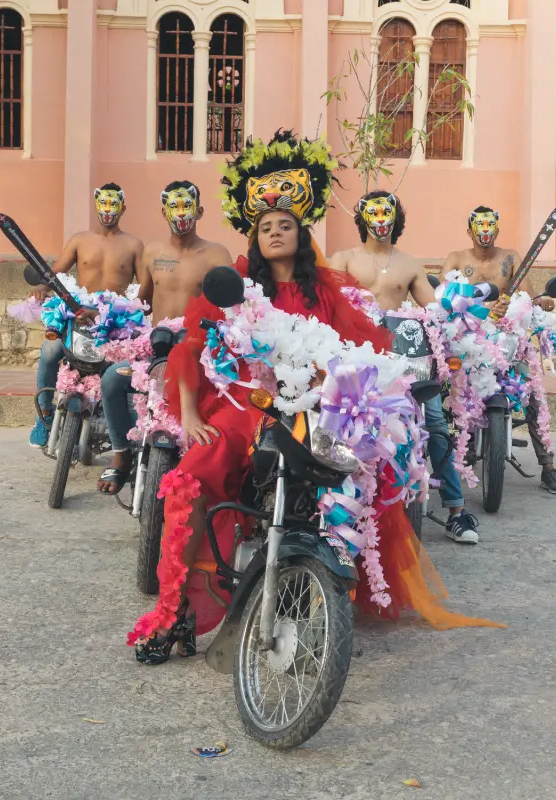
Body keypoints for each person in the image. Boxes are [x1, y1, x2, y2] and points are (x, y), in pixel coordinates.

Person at [129, 131, 502, 665]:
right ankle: (176, 615)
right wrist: (190, 415)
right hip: (244, 409)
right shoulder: (232, 283)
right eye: (265, 227)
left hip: (309, 414)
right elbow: (193, 346)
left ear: (302, 235)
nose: (275, 232)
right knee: (188, 481)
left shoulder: (328, 292)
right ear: (253, 238)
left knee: (352, 474)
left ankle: (317, 581)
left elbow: (362, 349)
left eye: (286, 225)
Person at [331, 191, 481, 544]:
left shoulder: (411, 264)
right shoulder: (344, 259)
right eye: (374, 211)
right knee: (344, 433)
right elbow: (330, 304)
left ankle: (457, 511)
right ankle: (340, 511)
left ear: (396, 218)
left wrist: (458, 311)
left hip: (406, 360)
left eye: (388, 212)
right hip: (358, 362)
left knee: (435, 424)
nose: (381, 218)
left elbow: (433, 309)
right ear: (363, 217)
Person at [96, 181, 231, 495]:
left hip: (198, 352)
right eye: (174, 206)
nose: (180, 213)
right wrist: (105, 316)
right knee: (113, 380)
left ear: (199, 210)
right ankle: (121, 455)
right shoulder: (153, 253)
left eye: (187, 206)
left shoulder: (216, 254)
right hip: (155, 348)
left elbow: (229, 306)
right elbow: (142, 300)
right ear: (163, 211)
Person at [441, 206, 556, 496]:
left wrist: (542, 300)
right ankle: (440, 459)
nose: (485, 231)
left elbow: (526, 294)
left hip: (505, 341)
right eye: (479, 225)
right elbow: (445, 298)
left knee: (533, 392)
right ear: (470, 230)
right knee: (441, 394)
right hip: (467, 342)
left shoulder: (510, 258)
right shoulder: (456, 259)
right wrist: (482, 308)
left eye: (490, 226)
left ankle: (547, 466)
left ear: (497, 229)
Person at [29, 183, 145, 448]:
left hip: (114, 326)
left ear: (123, 207)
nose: (108, 210)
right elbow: (56, 271)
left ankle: (130, 434)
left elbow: (145, 287)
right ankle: (44, 416)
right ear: (96, 206)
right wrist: (41, 287)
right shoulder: (80, 239)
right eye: (103, 203)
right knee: (49, 351)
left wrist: (138, 312)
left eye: (113, 204)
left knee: (129, 369)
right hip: (77, 319)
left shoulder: (134, 245)